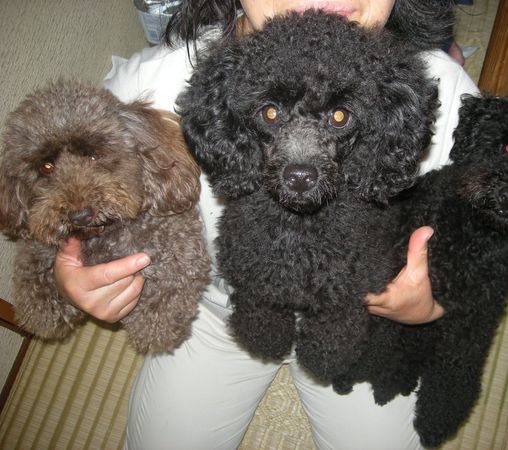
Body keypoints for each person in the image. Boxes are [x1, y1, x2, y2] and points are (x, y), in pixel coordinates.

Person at [54, 1, 479, 448]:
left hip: (368, 311)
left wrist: (432, 306)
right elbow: (58, 182)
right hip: (216, 306)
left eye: (339, 117)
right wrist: (70, 270)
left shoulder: (437, 92)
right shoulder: (150, 90)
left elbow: (486, 236)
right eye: (271, 114)